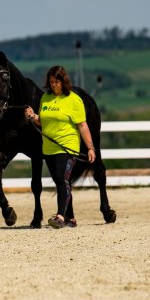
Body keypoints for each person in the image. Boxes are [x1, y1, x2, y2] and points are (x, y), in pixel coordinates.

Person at [24, 66, 96, 229]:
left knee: (62, 179)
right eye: (51, 82)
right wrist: (32, 116)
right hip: (48, 147)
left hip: (67, 146)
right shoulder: (46, 98)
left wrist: (90, 147)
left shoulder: (73, 99)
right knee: (60, 181)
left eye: (57, 82)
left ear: (63, 82)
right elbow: (43, 121)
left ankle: (60, 217)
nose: (54, 85)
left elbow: (82, 125)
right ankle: (71, 218)